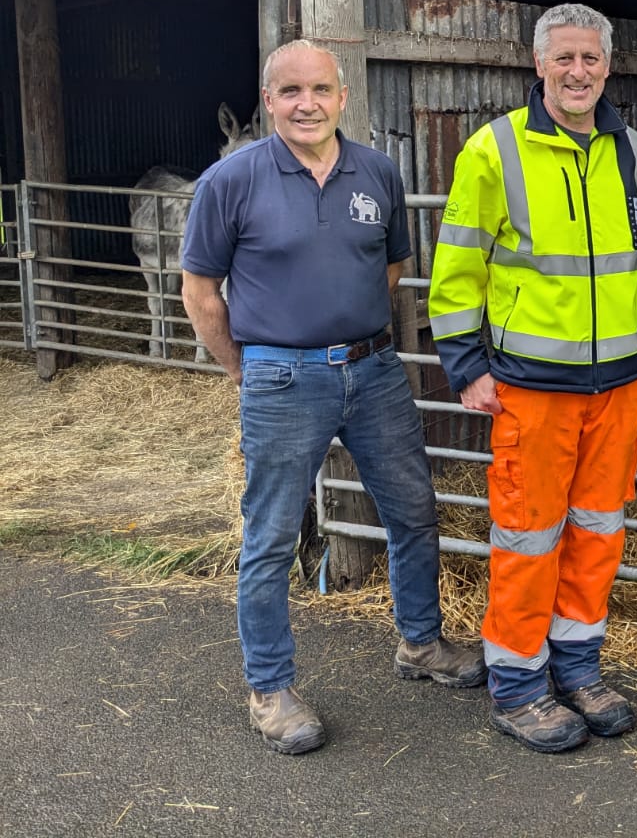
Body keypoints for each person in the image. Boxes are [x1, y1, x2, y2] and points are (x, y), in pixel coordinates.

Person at [181, 39, 485, 756]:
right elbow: (200, 293)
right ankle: (271, 688)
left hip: (374, 372)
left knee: (413, 511)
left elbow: (393, 268)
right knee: (271, 536)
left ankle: (420, 643)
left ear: (343, 96)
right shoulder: (232, 179)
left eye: (319, 89)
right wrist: (245, 369)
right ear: (269, 101)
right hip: (282, 378)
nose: (306, 103)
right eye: (289, 92)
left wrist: (351, 336)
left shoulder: (378, 173)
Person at [428, 2, 637, 754]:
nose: (579, 72)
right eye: (564, 58)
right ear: (538, 65)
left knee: (598, 533)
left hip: (622, 386)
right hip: (532, 386)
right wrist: (466, 365)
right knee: (528, 537)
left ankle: (578, 667)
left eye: (591, 59)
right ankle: (517, 684)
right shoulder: (493, 152)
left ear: (609, 66)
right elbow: (457, 268)